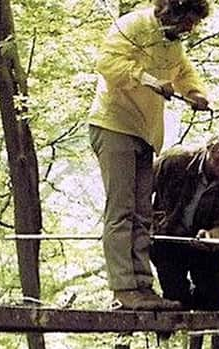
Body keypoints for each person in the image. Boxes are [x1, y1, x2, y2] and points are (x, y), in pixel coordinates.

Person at [88, 0, 211, 310]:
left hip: (146, 133)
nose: (190, 28)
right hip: (114, 123)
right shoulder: (133, 25)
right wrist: (148, 81)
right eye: (188, 20)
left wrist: (194, 93)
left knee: (143, 213)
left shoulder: (173, 44)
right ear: (172, 10)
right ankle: (123, 288)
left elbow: (183, 71)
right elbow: (107, 62)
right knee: (122, 210)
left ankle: (142, 286)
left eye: (194, 23)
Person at [150, 127, 219, 310]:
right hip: (167, 241)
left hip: (204, 249)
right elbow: (141, 191)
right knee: (178, 301)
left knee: (211, 303)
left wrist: (212, 235)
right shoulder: (175, 160)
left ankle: (204, 298)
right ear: (215, 151)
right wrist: (146, 227)